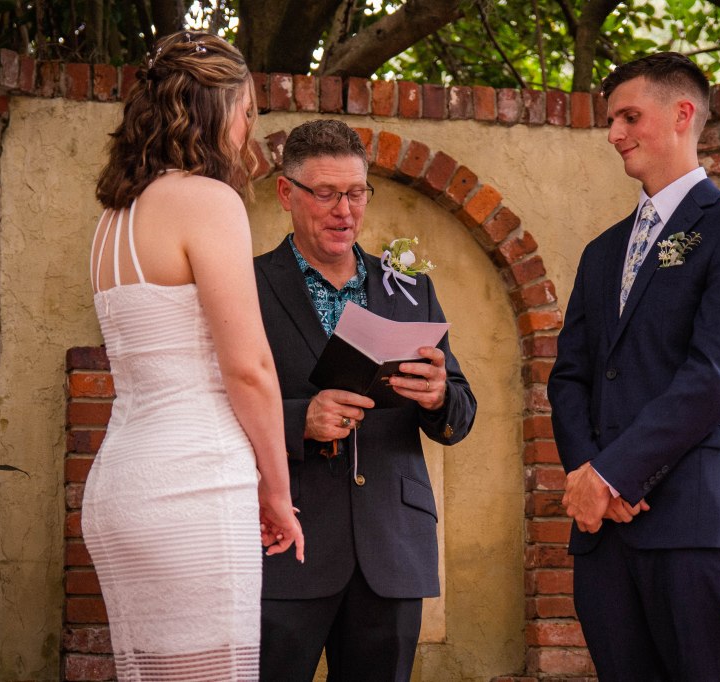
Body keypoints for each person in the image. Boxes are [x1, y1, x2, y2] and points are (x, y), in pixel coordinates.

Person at [548, 52, 720, 681]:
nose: (614, 133)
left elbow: (715, 376)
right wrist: (588, 477)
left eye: (629, 116)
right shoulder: (601, 252)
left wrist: (614, 475)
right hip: (604, 532)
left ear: (681, 115)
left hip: (693, 522)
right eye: (610, 120)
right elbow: (570, 376)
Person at [83, 30, 303, 681]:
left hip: (121, 484)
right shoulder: (209, 201)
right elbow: (249, 368)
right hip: (193, 483)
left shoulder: (112, 220)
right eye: (246, 110)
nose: (248, 127)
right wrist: (277, 490)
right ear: (215, 110)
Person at [254, 119, 476, 681]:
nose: (344, 211)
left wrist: (437, 397)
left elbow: (461, 411)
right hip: (285, 544)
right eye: (326, 193)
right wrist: (299, 420)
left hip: (392, 546)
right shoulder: (247, 285)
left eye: (356, 193)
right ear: (286, 193)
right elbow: (209, 407)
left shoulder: (411, 288)